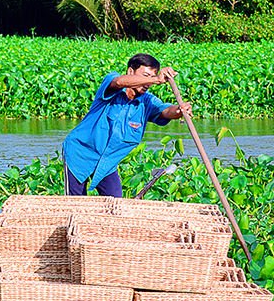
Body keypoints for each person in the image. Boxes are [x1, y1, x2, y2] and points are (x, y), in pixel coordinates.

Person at [61, 54, 192, 197]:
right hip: (80, 154)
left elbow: (166, 111)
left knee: (117, 204)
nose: (148, 83)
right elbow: (119, 82)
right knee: (76, 203)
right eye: (145, 76)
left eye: (151, 77)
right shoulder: (113, 83)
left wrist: (179, 110)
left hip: (107, 162)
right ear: (131, 71)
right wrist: (155, 79)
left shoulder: (147, 101)